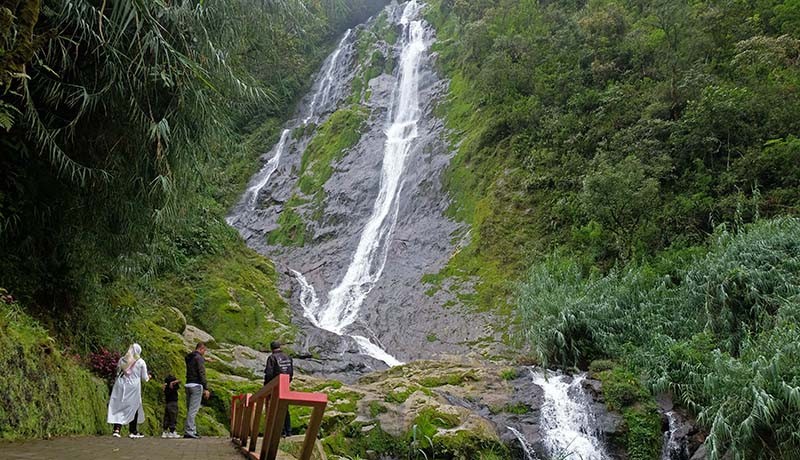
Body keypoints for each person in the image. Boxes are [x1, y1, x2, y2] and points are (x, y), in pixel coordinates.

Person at [107, 343, 150, 438]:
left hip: (120, 385)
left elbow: (118, 371)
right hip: (133, 387)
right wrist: (148, 377)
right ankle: (133, 431)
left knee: (119, 406)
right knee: (134, 407)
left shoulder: (122, 360)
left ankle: (116, 430)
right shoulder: (141, 362)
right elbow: (144, 378)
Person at [264, 340, 293, 437]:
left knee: (275, 408)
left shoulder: (272, 358)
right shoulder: (288, 357)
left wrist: (266, 387)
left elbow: (269, 374)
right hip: (286, 385)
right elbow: (291, 372)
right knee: (285, 408)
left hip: (275, 386)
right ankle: (288, 431)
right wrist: (288, 382)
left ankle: (279, 432)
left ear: (271, 348)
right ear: (280, 347)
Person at [183, 342, 210, 439]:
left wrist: (204, 359)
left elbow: (196, 359)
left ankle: (192, 430)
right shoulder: (199, 358)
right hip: (196, 386)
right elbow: (201, 372)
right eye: (204, 351)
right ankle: (189, 431)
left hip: (188, 384)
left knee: (189, 409)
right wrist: (206, 388)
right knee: (193, 410)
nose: (205, 353)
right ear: (201, 349)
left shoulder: (190, 357)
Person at [161, 374, 180, 438]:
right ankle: (172, 431)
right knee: (173, 417)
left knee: (166, 417)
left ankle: (165, 431)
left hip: (167, 403)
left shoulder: (166, 388)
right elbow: (178, 383)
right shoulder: (173, 387)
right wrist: (174, 383)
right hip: (173, 403)